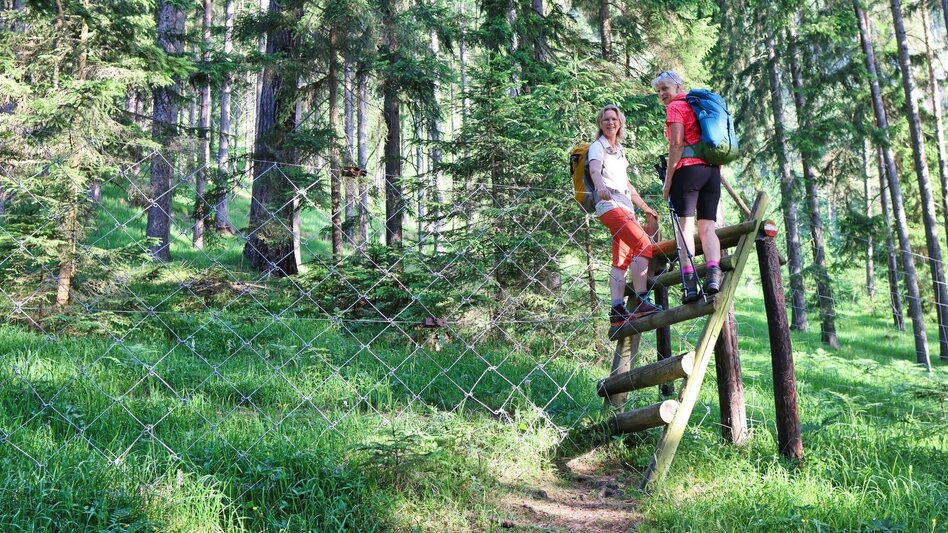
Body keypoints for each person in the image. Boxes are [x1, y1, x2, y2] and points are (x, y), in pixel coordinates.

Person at [588, 104, 663, 326]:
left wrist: (645, 207)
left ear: (620, 123)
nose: (610, 122)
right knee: (643, 244)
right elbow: (594, 170)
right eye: (605, 119)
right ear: (600, 124)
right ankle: (641, 301)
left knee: (621, 259)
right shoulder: (597, 147)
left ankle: (617, 309)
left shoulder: (619, 150)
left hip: (625, 207)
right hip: (610, 205)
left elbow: (627, 184)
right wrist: (600, 187)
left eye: (614, 119)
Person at [653, 70, 723, 303]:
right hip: (711, 171)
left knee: (685, 227)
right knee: (708, 227)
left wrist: (668, 181)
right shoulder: (698, 106)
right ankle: (713, 276)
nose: (662, 94)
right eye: (658, 91)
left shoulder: (676, 107)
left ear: (677, 86)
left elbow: (676, 145)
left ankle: (690, 285)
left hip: (688, 171)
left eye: (665, 88)